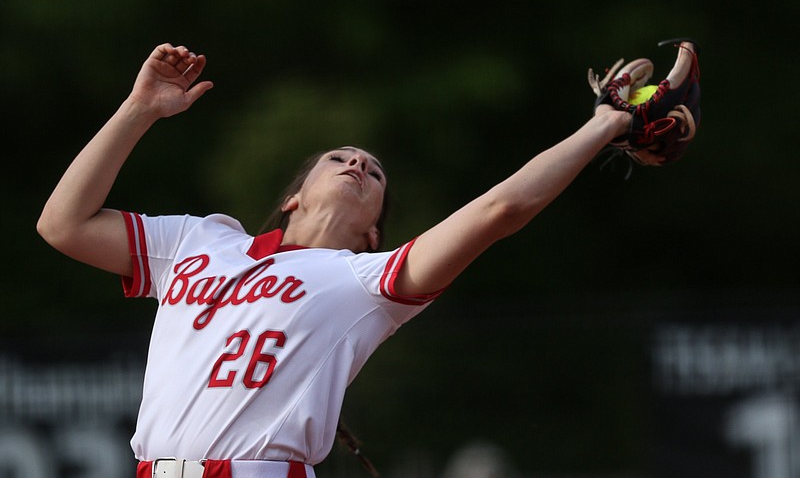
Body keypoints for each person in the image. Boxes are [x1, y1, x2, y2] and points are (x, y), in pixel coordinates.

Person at [37, 43, 633, 478]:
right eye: (339, 158)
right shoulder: (202, 242)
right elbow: (62, 225)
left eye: (373, 171)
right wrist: (138, 110)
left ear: (374, 231)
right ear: (292, 196)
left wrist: (603, 126)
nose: (356, 166)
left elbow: (501, 209)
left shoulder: (367, 283)